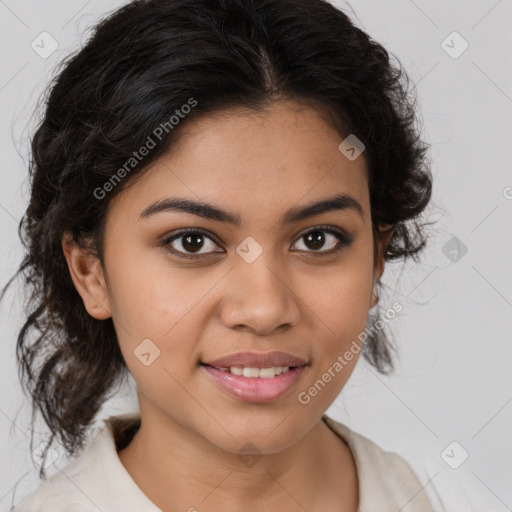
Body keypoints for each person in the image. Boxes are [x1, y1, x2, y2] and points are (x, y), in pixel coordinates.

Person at [3, 0, 442, 510]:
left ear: (376, 258)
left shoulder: (426, 496)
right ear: (90, 271)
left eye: (317, 239)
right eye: (192, 242)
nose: (264, 309)